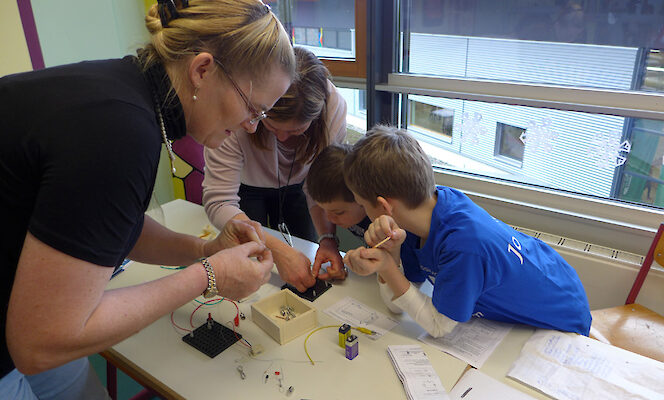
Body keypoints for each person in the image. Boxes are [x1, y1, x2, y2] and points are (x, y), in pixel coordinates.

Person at [0, 1, 295, 398]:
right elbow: (41, 342)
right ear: (202, 70)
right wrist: (209, 275)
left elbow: (110, 226)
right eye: (252, 108)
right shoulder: (119, 131)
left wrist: (204, 249)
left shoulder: (127, 89)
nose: (250, 126)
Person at [342, 126, 592, 337]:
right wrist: (392, 254)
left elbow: (439, 326)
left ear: (385, 206)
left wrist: (387, 268)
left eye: (363, 205)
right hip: (547, 286)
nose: (364, 213)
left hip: (562, 320)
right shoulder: (423, 212)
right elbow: (397, 306)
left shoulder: (463, 246)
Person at [203, 46, 348, 292]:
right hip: (247, 187)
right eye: (270, 125)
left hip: (302, 188)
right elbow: (220, 202)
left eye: (295, 131)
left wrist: (328, 239)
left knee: (305, 257)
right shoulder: (236, 108)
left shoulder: (334, 108)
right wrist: (278, 250)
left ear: (315, 119)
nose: (282, 139)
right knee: (253, 267)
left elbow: (319, 187)